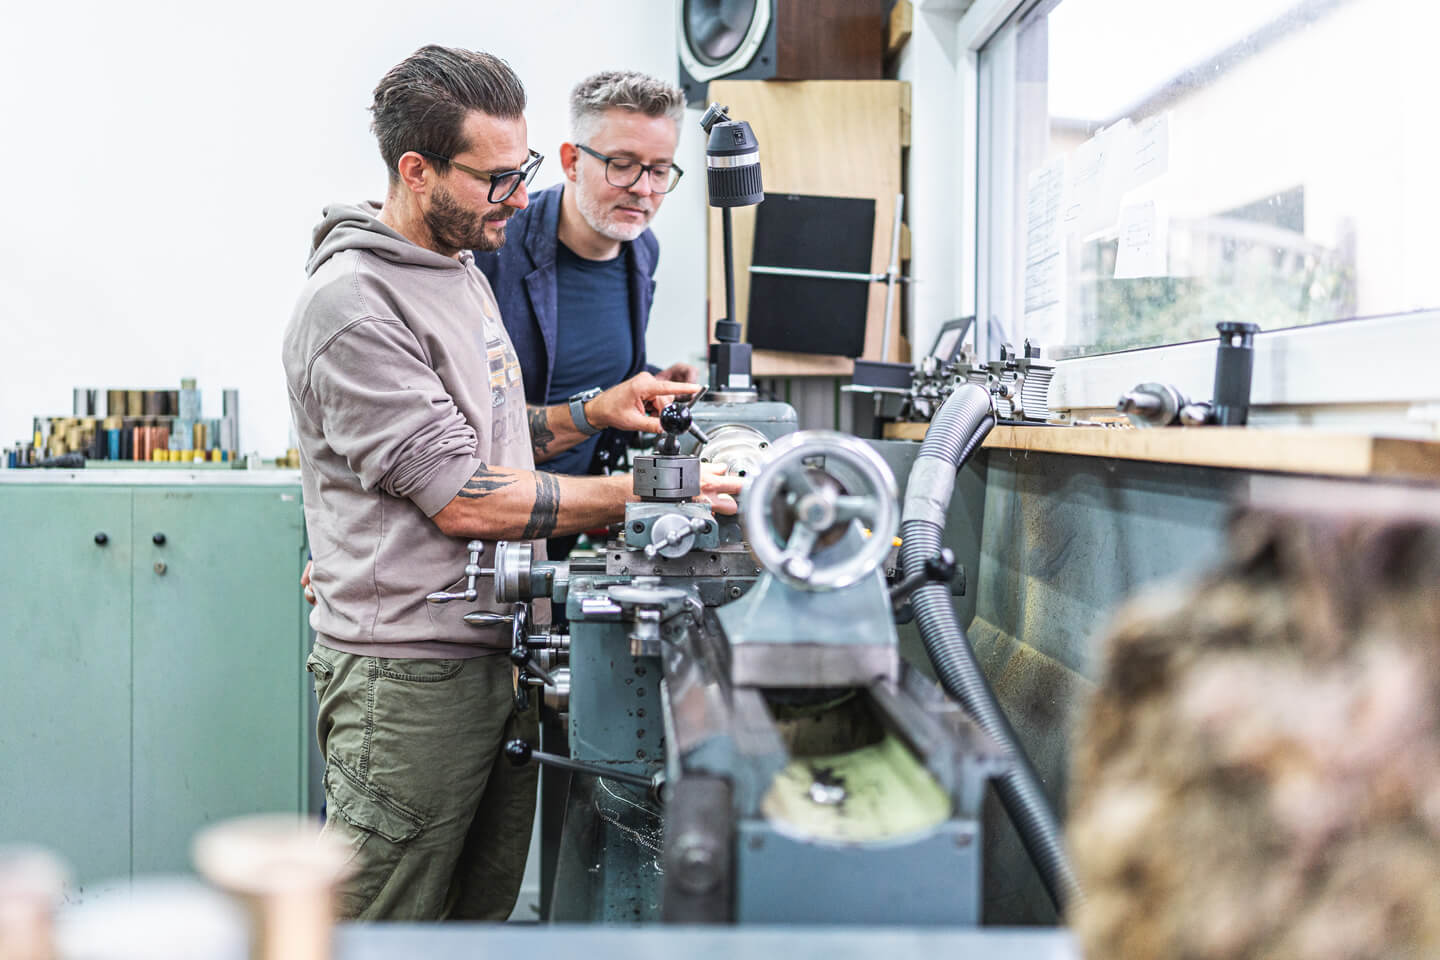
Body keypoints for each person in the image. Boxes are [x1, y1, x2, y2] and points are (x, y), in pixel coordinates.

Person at [282, 45, 739, 922]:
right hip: (408, 683)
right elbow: (464, 497)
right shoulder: (353, 305)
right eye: (496, 178)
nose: (520, 198)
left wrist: (591, 414)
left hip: (496, 654)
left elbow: (494, 438)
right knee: (384, 924)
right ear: (417, 171)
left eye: (521, 169)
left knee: (473, 924)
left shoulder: (453, 271)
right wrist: (649, 494)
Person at [475, 70, 696, 559]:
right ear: (571, 162)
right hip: (488, 524)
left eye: (660, 170)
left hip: (576, 518)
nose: (643, 189)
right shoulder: (493, 246)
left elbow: (589, 368)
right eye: (622, 164)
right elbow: (449, 425)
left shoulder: (642, 251)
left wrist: (652, 380)